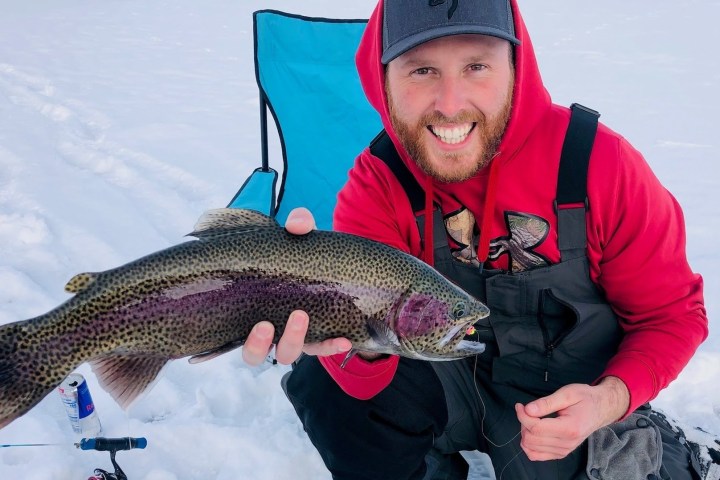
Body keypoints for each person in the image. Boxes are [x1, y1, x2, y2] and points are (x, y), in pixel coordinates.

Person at [243, 1, 709, 479]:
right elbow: (362, 362)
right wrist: (361, 346)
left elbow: (672, 316)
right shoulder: (378, 182)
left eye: (477, 66)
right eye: (421, 69)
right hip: (443, 382)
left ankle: (669, 446)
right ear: (382, 79)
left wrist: (607, 400)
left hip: (563, 400)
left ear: (515, 67)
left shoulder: (598, 164)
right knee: (325, 384)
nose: (449, 103)